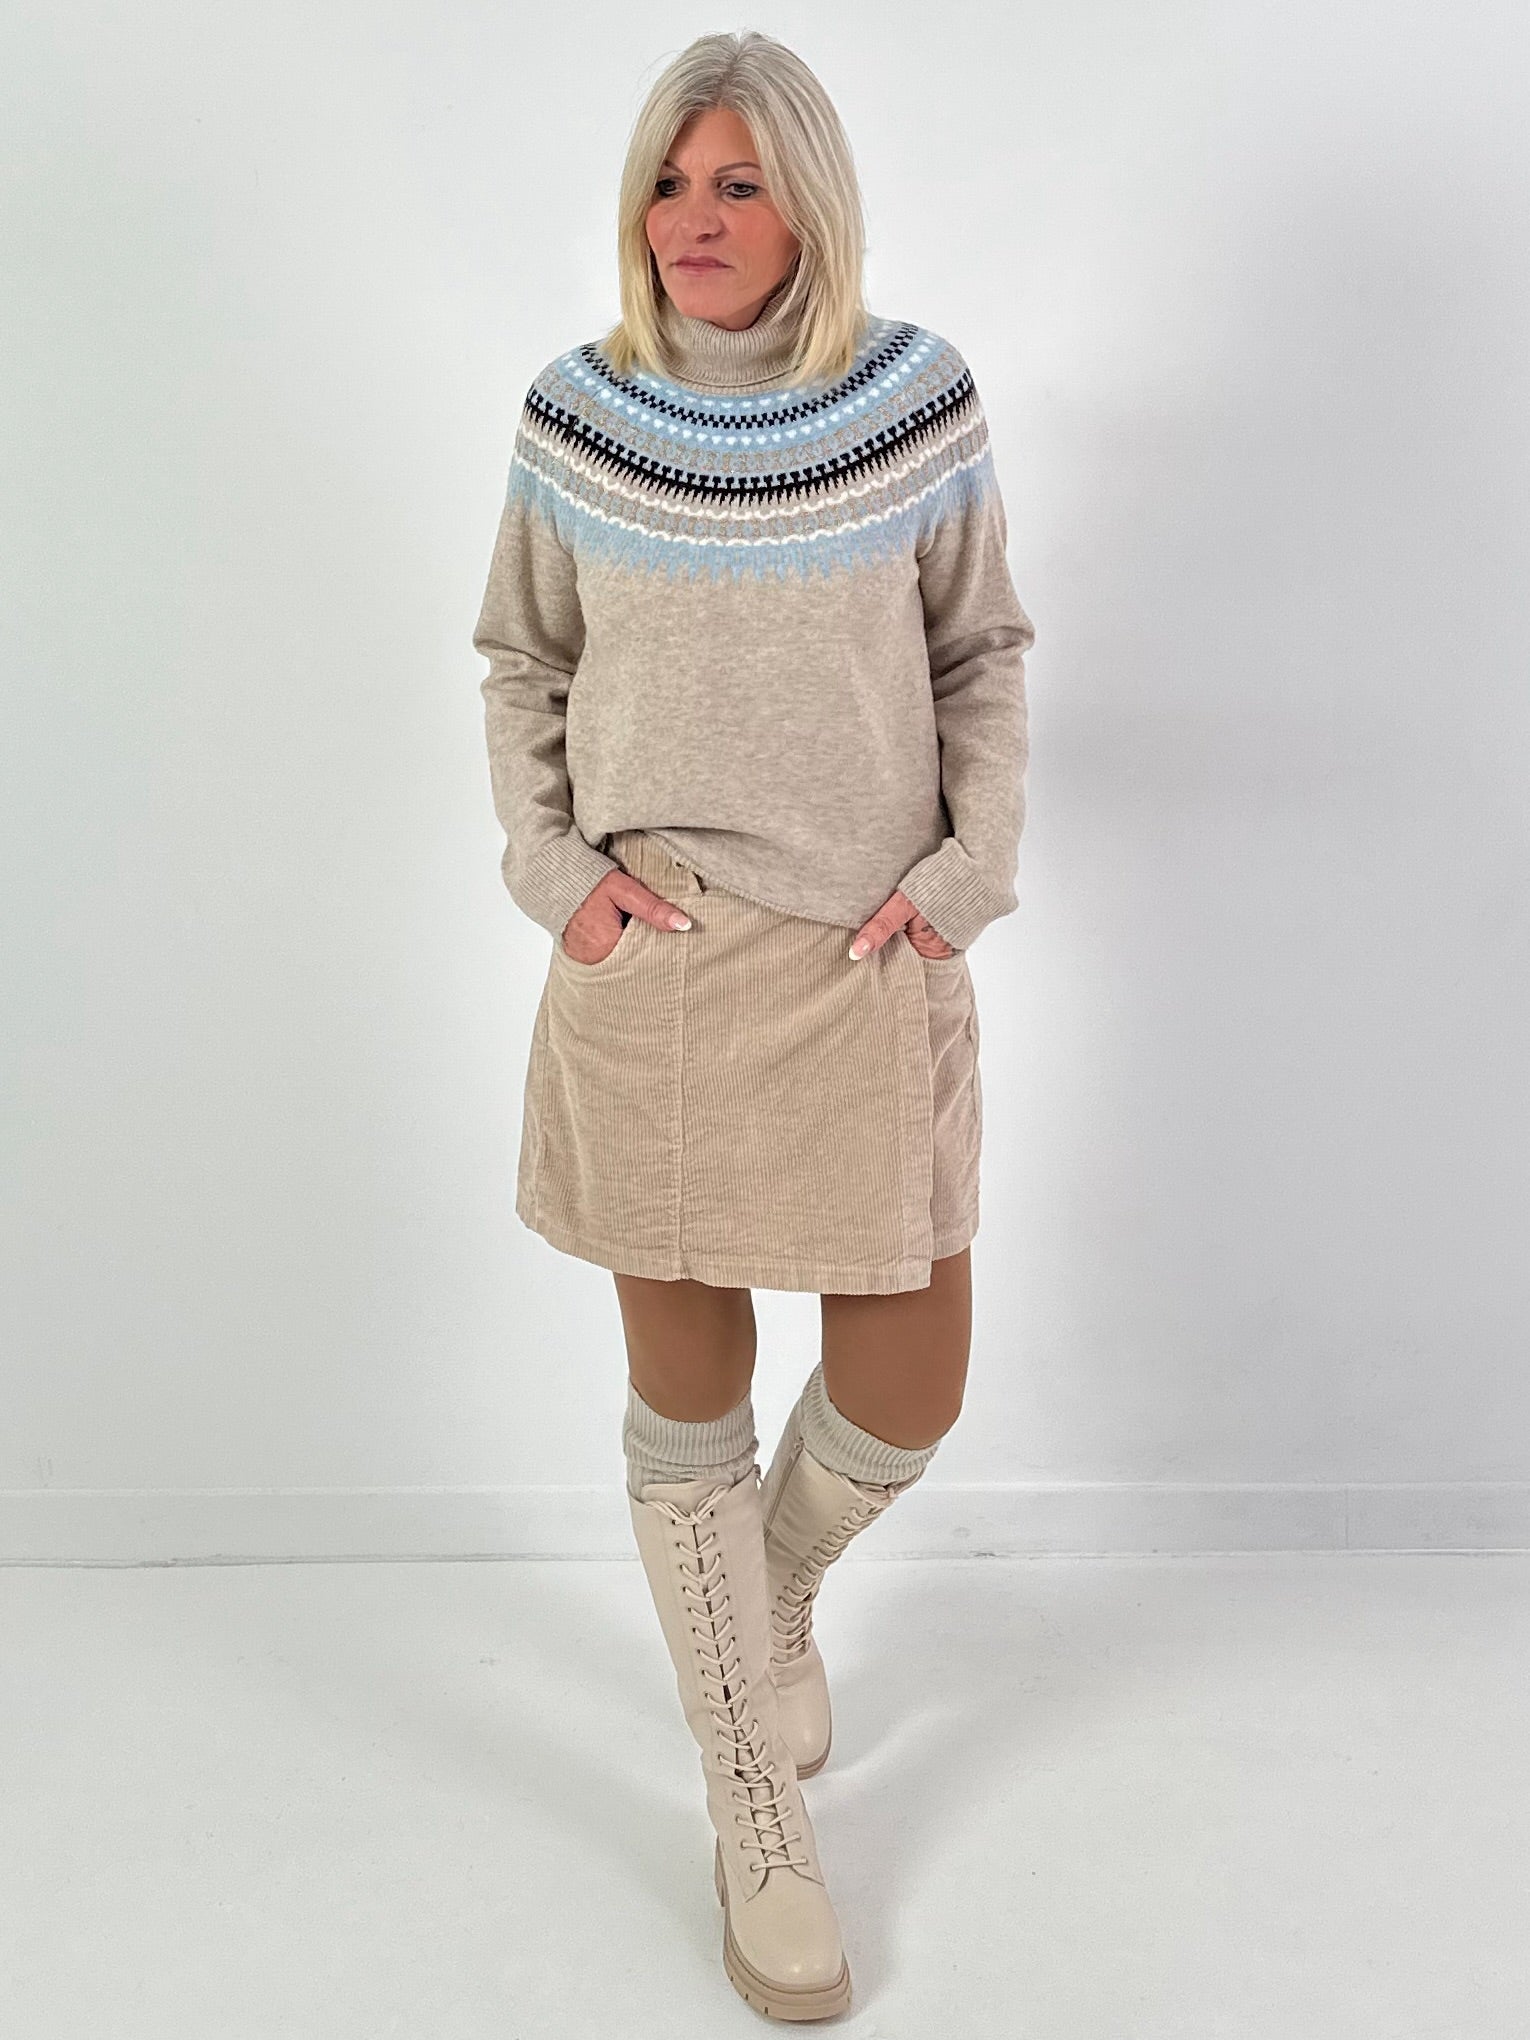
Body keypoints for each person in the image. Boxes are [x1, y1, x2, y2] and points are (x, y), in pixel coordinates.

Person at [472, 29, 1035, 2022]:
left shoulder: (913, 399)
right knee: (689, 1398)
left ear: (811, 202)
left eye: (735, 182)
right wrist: (558, 875)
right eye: (667, 180)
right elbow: (520, 660)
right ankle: (750, 1796)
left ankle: (760, 1603)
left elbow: (979, 651)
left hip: (872, 958)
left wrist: (964, 877)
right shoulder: (579, 414)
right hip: (658, 963)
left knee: (910, 1381)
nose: (691, 219)